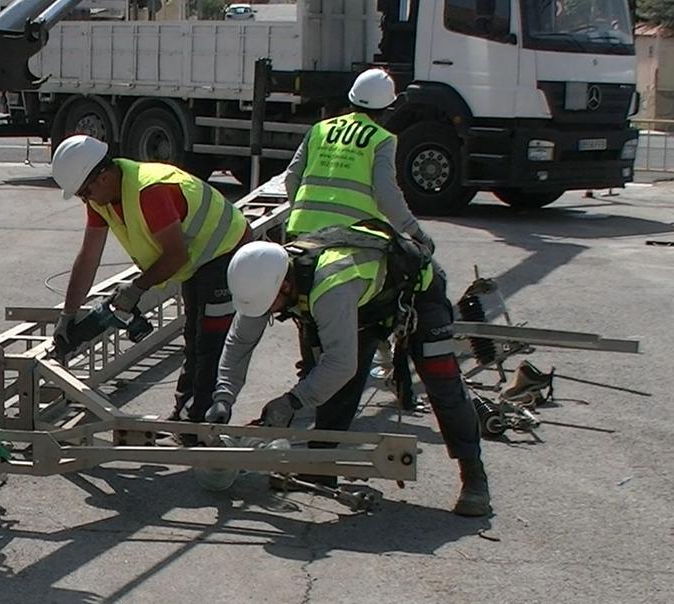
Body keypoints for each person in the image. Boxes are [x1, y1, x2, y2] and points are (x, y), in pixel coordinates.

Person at [205, 222, 492, 517]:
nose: (267, 312)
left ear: (286, 286)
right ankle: (319, 469)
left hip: (416, 294)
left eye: (270, 306)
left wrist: (292, 402)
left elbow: (341, 363)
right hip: (364, 306)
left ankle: (474, 477)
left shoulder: (329, 288)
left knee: (441, 381)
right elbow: (240, 341)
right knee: (329, 383)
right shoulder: (265, 280)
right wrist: (223, 397)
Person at [50, 135, 251, 424]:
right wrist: (68, 313)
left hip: (226, 251)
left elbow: (175, 257)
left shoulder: (148, 191)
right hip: (197, 260)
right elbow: (88, 257)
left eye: (85, 192)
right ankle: (186, 416)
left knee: (209, 341)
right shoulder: (101, 199)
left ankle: (199, 425)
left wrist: (136, 289)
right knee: (194, 339)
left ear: (104, 177)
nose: (85, 199)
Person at [284, 67, 434, 254]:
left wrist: (300, 212)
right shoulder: (381, 139)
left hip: (303, 231)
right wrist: (415, 232)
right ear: (386, 107)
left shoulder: (320, 129)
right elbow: (386, 194)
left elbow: (291, 177)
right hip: (352, 238)